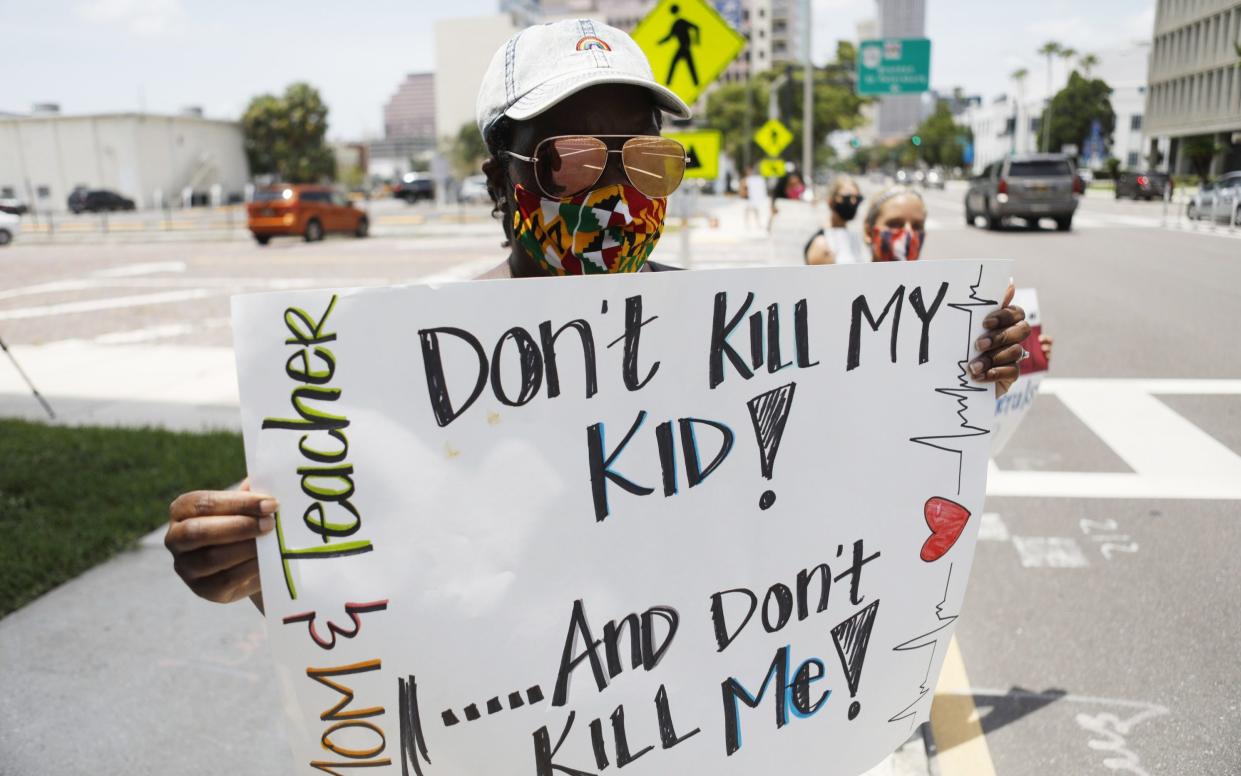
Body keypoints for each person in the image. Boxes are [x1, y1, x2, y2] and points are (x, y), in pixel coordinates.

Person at [164, 20, 1035, 608]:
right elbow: (358, 562)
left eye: (647, 161)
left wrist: (967, 372)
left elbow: (854, 464)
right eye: (574, 160)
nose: (618, 194)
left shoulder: (734, 339)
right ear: (500, 182)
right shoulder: (398, 371)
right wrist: (255, 559)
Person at [804, 174, 866, 265]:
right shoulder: (821, 243)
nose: (853, 203)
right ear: (830, 201)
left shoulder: (854, 237)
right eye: (847, 198)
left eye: (857, 199)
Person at [742, 165, 767, 231]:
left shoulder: (755, 179)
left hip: (753, 197)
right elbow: (743, 187)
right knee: (748, 211)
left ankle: (757, 223)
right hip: (749, 198)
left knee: (755, 211)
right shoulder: (746, 179)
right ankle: (747, 224)